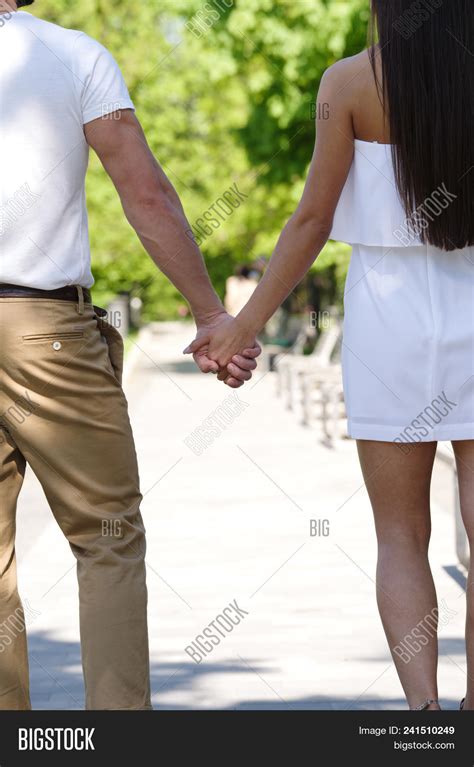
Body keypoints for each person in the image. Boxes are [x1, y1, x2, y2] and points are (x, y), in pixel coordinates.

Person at [186, 0, 474, 711]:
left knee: (401, 534)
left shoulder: (348, 83)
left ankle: (425, 717)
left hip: (386, 318)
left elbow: (312, 217)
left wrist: (239, 326)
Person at [0, 0, 260, 710]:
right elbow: (143, 193)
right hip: (41, 327)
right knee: (106, 535)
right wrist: (212, 314)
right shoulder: (71, 54)